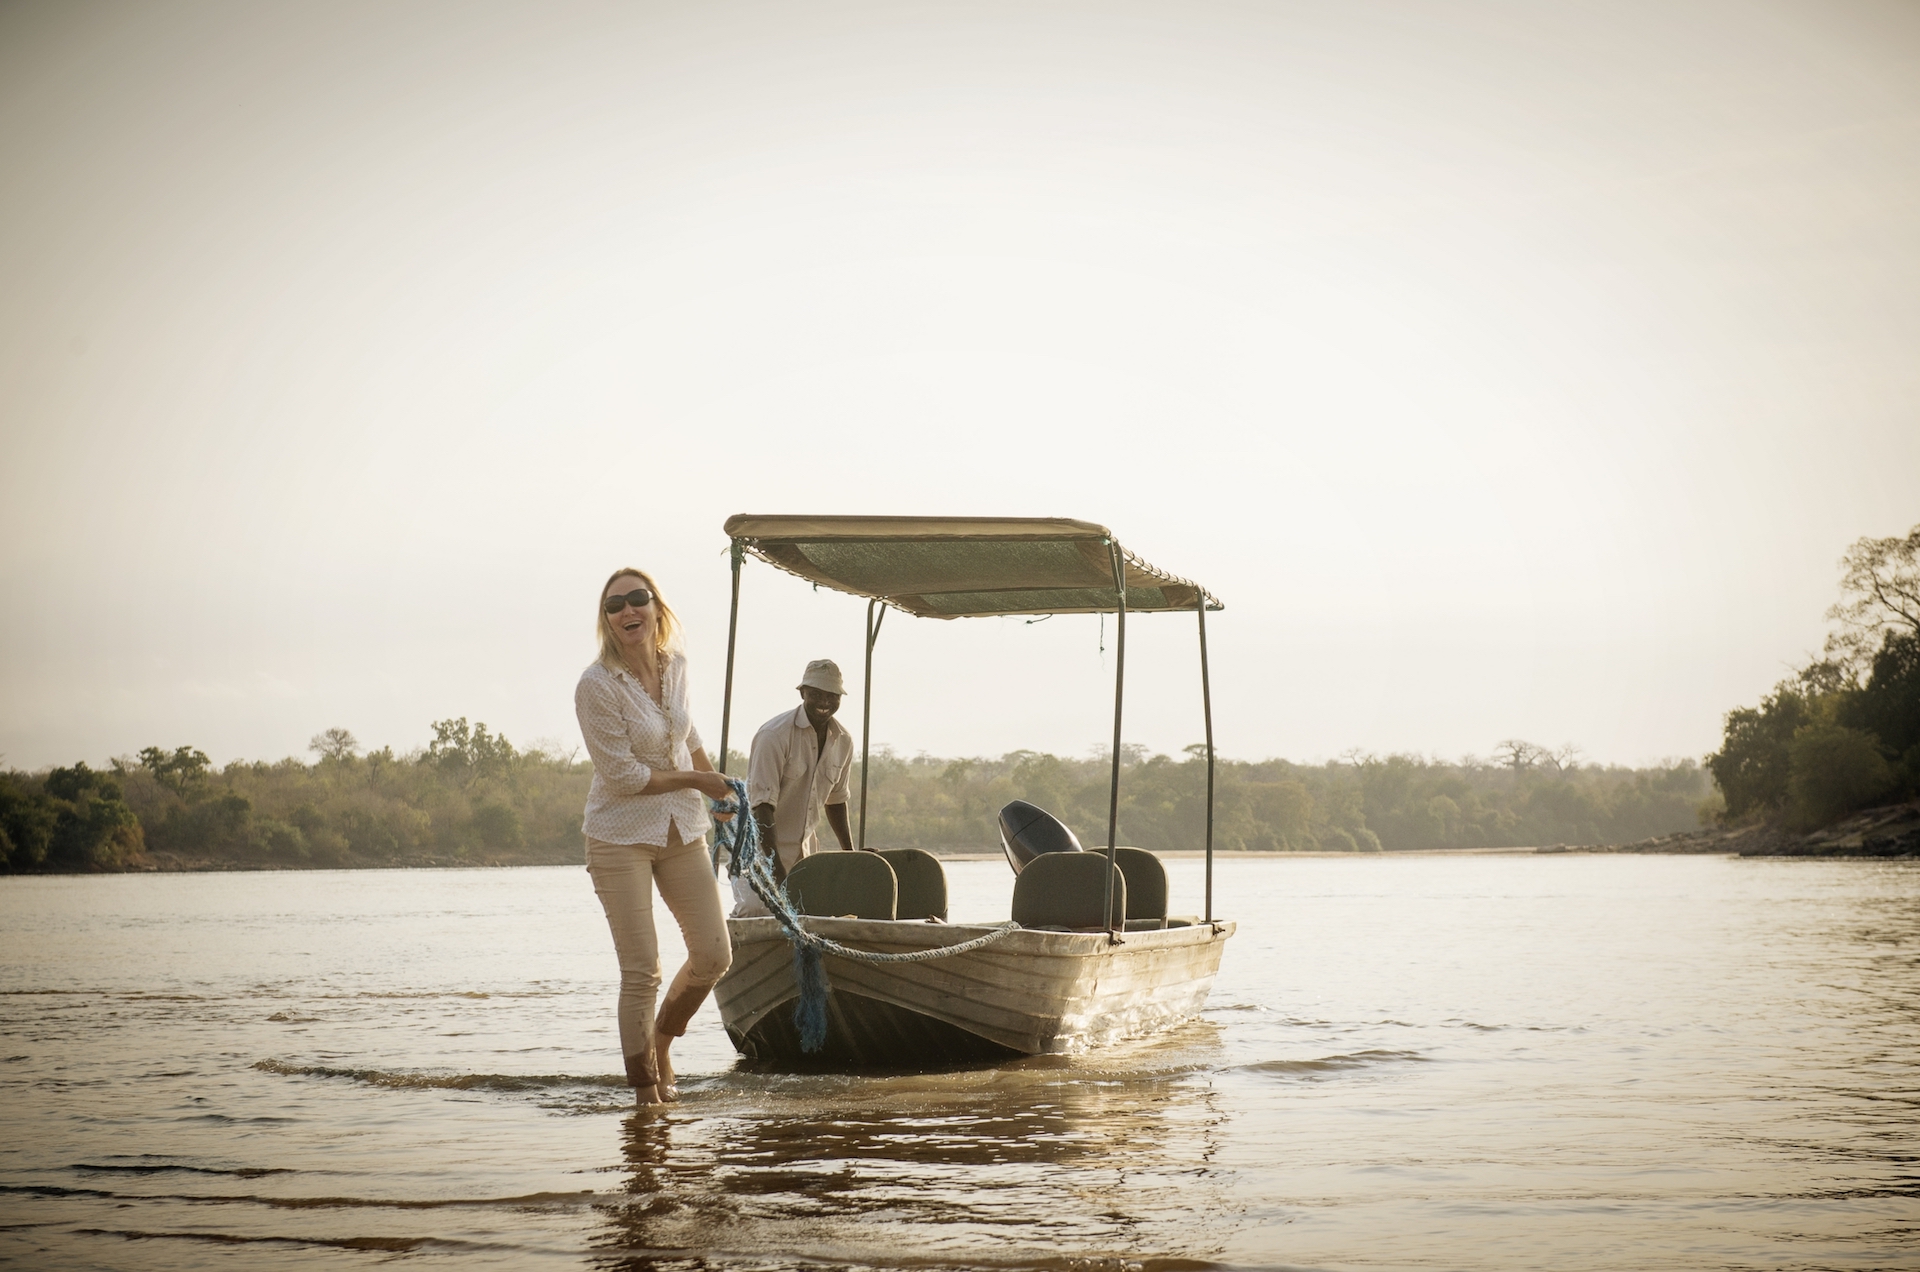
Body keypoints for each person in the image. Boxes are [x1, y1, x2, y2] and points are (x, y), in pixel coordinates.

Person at [574, 567, 733, 1105]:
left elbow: (687, 734)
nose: (627, 610)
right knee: (642, 971)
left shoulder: (676, 666)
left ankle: (662, 1041)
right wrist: (697, 781)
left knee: (714, 955)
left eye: (637, 599)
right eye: (614, 605)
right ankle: (645, 1093)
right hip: (618, 836)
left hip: (683, 828)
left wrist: (718, 793)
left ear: (656, 607)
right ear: (607, 620)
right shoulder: (596, 685)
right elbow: (623, 776)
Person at [732, 659, 857, 917]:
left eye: (831, 695)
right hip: (759, 851)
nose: (824, 702)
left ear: (839, 698)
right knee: (755, 912)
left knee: (807, 920)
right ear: (802, 693)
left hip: (806, 853)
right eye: (816, 694)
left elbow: (836, 800)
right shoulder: (773, 735)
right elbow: (761, 806)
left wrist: (851, 855)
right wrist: (775, 870)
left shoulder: (843, 741)